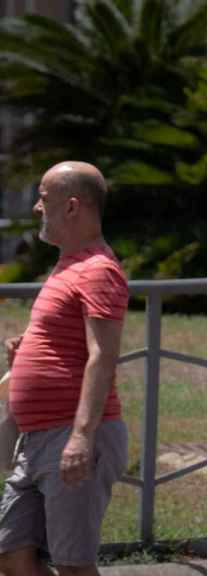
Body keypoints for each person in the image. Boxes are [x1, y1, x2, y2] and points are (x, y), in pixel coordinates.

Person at [0, 162, 129, 576]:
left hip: (70, 438)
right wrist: (26, 357)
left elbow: (102, 356)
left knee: (74, 566)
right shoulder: (68, 264)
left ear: (72, 207)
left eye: (44, 198)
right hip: (37, 439)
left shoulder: (98, 270)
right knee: (12, 557)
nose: (38, 207)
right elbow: (68, 342)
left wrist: (81, 437)